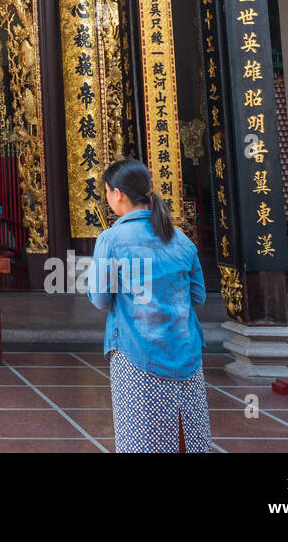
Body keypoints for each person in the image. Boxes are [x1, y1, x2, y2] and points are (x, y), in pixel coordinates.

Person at [88, 158, 212, 452]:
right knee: (188, 437)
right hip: (185, 350)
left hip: (137, 353)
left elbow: (100, 299)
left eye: (107, 191)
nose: (108, 197)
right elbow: (198, 297)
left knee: (140, 438)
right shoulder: (181, 239)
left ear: (117, 193)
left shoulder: (111, 239)